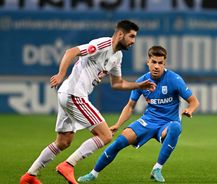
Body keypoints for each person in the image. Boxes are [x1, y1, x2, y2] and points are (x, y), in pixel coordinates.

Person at [20, 20, 156, 184]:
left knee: (63, 141)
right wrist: (61, 74)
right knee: (105, 135)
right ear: (120, 34)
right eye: (131, 36)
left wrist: (139, 85)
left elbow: (117, 83)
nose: (133, 41)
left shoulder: (117, 56)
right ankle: (68, 165)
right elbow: (71, 52)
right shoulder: (102, 44)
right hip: (74, 94)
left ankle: (29, 176)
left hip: (69, 94)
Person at [77, 45, 200, 183]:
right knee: (120, 142)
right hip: (148, 121)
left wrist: (190, 110)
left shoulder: (174, 79)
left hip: (168, 123)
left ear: (164, 64)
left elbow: (194, 101)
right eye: (154, 62)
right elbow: (130, 107)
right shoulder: (142, 81)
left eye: (160, 63)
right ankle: (93, 173)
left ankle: (157, 168)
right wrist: (118, 124)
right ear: (148, 62)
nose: (156, 66)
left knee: (176, 128)